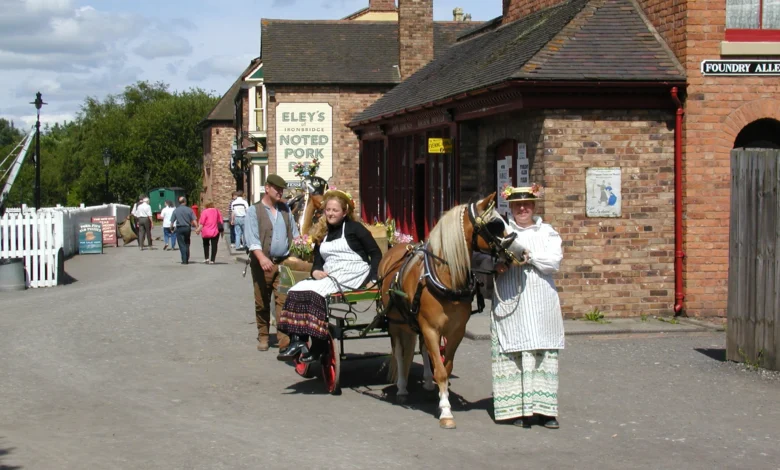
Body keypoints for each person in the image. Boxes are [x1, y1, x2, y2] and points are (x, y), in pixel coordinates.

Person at [276, 189, 382, 363]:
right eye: (328, 210)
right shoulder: (323, 234)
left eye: (335, 210)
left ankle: (318, 344)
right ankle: (298, 340)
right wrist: (315, 271)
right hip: (331, 274)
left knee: (314, 294)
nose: (331, 214)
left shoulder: (355, 229)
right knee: (295, 289)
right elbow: (318, 261)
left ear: (345, 212)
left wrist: (373, 279)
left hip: (353, 273)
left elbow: (376, 254)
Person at [491, 184, 564, 429]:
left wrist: (529, 257)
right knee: (513, 350)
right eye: (517, 205)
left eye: (527, 204)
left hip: (541, 300)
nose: (523, 208)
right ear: (510, 207)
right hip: (511, 298)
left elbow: (553, 262)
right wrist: (496, 266)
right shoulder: (501, 231)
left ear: (534, 206)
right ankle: (515, 410)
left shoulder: (548, 232)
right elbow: (484, 258)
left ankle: (545, 411)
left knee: (543, 351)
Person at [245, 175, 301, 352]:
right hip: (262, 263)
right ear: (267, 188)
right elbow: (252, 238)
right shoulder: (254, 211)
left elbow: (295, 234)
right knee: (262, 301)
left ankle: (283, 339)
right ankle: (263, 335)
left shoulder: (285, 210)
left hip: (283, 262)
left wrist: (302, 246)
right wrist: (262, 258)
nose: (280, 192)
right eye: (277, 188)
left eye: (282, 189)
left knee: (283, 301)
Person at [170, 196, 198, 264]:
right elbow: (194, 220)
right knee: (187, 243)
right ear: (185, 202)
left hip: (179, 228)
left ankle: (184, 259)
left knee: (181, 244)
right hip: (187, 228)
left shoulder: (176, 210)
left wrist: (171, 229)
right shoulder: (189, 210)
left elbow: (172, 222)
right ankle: (187, 257)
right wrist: (197, 228)